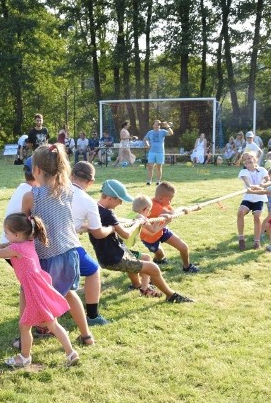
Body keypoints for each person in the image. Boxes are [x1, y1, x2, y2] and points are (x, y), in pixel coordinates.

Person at [0, 213, 79, 368]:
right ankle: (70, 353)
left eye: (7, 233)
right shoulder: (28, 242)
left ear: (17, 235)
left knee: (31, 325)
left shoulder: (16, 248)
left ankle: (25, 357)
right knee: (48, 324)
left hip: (34, 292)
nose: (5, 235)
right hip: (40, 287)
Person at [21, 144, 97, 346]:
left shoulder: (30, 196)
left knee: (28, 293)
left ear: (36, 170)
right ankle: (86, 335)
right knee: (69, 294)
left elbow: (23, 227)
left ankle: (23, 338)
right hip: (69, 252)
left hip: (46, 255)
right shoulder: (68, 190)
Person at [90, 180, 192, 303]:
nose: (121, 203)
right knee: (153, 268)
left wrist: (118, 224)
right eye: (120, 200)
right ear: (111, 198)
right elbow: (126, 234)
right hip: (114, 258)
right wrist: (137, 222)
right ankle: (170, 295)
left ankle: (140, 286)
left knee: (146, 258)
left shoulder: (94, 208)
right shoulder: (108, 213)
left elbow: (115, 223)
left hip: (113, 253)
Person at [70, 161, 109, 326]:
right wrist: (111, 229)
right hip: (65, 245)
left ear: (70, 174)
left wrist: (79, 226)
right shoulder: (89, 201)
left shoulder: (53, 190)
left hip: (39, 243)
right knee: (94, 270)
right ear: (91, 182)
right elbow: (98, 233)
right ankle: (92, 316)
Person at [134, 182, 199, 272]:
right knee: (160, 255)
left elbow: (172, 212)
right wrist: (183, 208)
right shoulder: (154, 205)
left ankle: (187, 266)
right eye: (170, 199)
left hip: (162, 230)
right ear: (160, 198)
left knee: (183, 247)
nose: (170, 202)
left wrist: (192, 208)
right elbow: (170, 214)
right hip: (149, 237)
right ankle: (158, 260)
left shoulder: (164, 203)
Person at [236, 152, 269, 250]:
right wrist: (251, 187)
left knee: (257, 217)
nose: (247, 160)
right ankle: (241, 238)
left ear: (255, 159)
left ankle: (256, 241)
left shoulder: (262, 170)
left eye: (249, 158)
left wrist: (262, 184)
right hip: (248, 197)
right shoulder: (244, 172)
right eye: (245, 159)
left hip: (259, 198)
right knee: (240, 212)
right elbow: (248, 183)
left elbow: (267, 180)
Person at [144, 119, 173, 185]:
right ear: (153, 125)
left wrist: (167, 126)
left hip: (160, 152)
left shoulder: (163, 131)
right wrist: (147, 143)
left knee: (159, 167)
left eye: (158, 124)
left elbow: (171, 133)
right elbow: (145, 139)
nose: (157, 126)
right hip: (151, 152)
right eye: (156, 124)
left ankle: (158, 181)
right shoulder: (150, 132)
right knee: (150, 166)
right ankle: (149, 181)